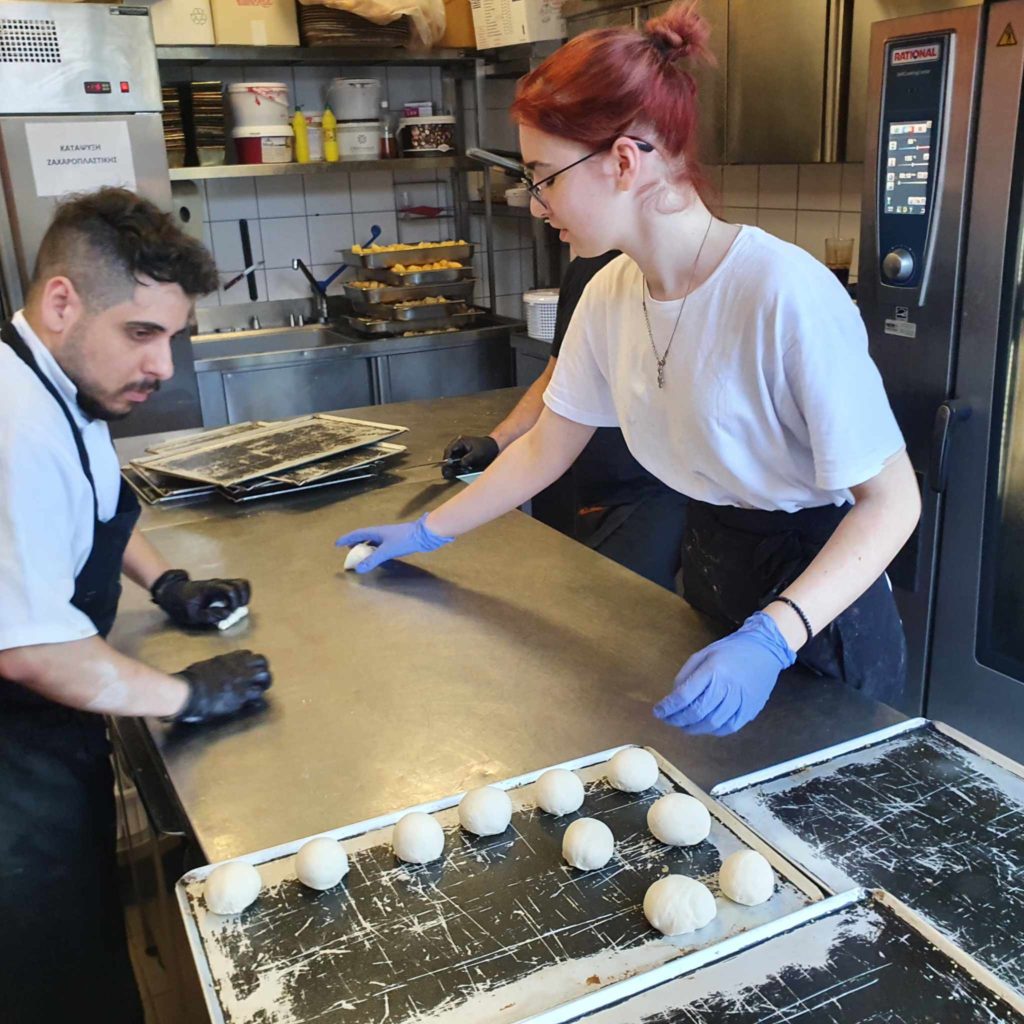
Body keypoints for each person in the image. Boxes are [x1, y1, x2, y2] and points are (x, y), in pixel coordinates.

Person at [336, 3, 920, 738]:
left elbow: (893, 503)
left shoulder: (783, 293)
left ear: (622, 160)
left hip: (820, 604)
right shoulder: (614, 292)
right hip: (713, 570)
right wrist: (426, 532)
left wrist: (775, 635)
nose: (536, 203)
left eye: (543, 175)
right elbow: (550, 444)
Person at [0, 188, 273, 1022]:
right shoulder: (11, 424)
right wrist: (187, 697)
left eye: (172, 337)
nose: (162, 365)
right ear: (60, 302)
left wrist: (166, 583)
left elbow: (95, 497)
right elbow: (29, 649)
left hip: (46, 744)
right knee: (55, 986)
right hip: (11, 770)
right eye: (141, 334)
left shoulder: (58, 382)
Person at [442, 250, 689, 591]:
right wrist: (498, 440)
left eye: (546, 194)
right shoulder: (590, 271)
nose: (538, 210)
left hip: (659, 494)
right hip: (595, 490)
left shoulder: (683, 271)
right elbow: (555, 377)